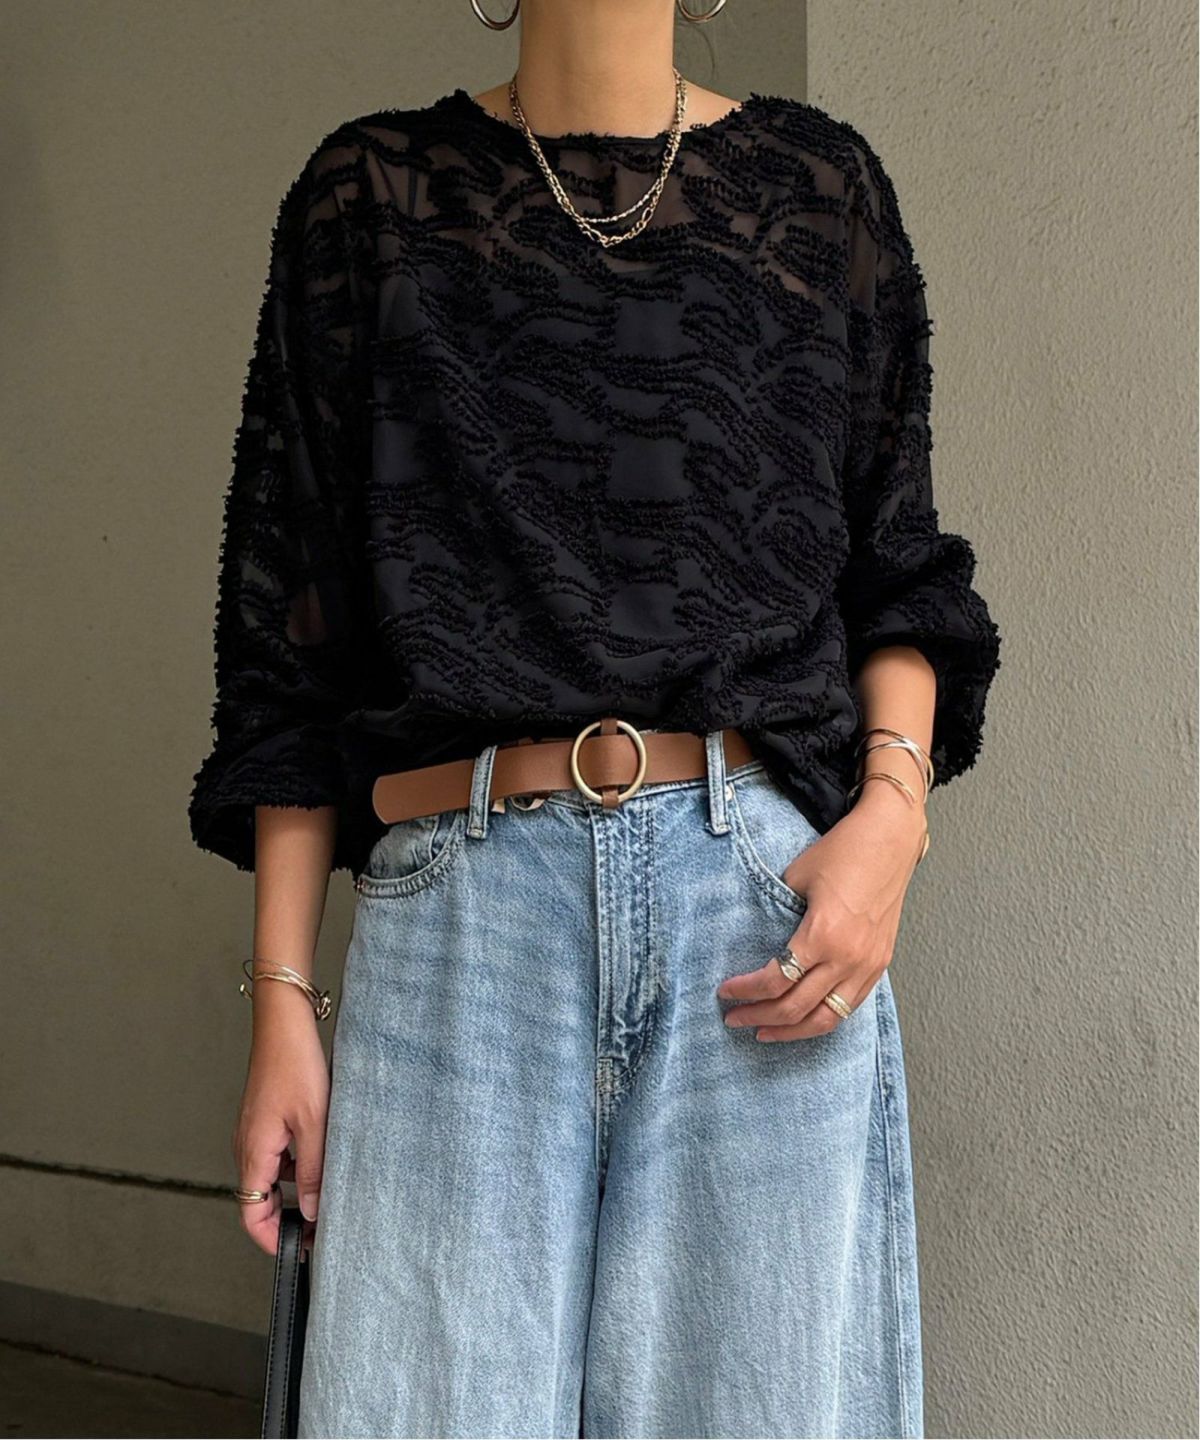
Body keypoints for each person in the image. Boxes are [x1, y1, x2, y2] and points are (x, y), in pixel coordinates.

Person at [189, 2, 1002, 1436]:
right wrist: (282, 1004)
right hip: (462, 926)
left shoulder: (818, 193)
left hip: (758, 916)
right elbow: (291, 651)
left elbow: (901, 575)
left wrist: (893, 820)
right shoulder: (369, 198)